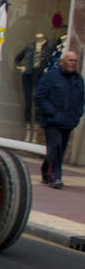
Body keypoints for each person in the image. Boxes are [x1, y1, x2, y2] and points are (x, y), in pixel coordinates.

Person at [34, 50, 82, 189]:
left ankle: (46, 172)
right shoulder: (50, 76)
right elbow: (39, 97)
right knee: (55, 147)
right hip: (52, 121)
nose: (73, 63)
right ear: (62, 62)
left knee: (60, 149)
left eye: (75, 61)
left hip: (69, 121)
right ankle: (55, 176)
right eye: (70, 60)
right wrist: (53, 113)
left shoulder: (78, 79)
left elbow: (81, 99)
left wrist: (77, 114)